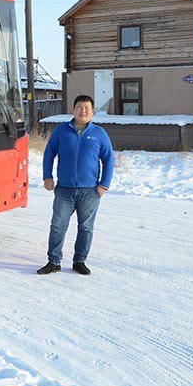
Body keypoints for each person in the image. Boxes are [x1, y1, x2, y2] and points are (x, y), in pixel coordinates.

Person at [38, 94, 114, 276]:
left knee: (86, 227)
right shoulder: (61, 131)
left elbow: (109, 159)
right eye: (80, 107)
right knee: (57, 225)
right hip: (64, 189)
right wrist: (47, 177)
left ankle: (79, 261)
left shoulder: (99, 133)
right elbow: (49, 153)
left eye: (87, 108)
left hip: (90, 191)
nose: (83, 111)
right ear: (73, 110)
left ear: (93, 112)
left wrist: (104, 185)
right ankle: (53, 261)